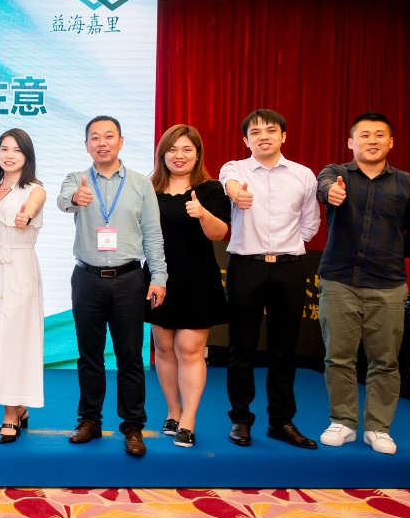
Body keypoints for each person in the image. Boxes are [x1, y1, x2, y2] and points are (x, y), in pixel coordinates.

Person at [316, 112, 410, 455]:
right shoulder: (336, 174)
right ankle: (343, 421)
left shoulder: (409, 184)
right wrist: (331, 193)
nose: (372, 140)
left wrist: (392, 252)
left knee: (385, 361)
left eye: (379, 135)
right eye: (364, 135)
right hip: (339, 280)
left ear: (391, 142)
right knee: (338, 357)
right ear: (351, 142)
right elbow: (324, 186)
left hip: (388, 284)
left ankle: (378, 427)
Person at [57, 115, 167, 457]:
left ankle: (133, 426)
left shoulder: (140, 184)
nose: (101, 143)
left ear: (120, 142)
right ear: (86, 144)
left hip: (129, 279)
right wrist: (76, 198)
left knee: (130, 356)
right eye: (95, 137)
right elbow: (63, 201)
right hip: (87, 278)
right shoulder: (76, 179)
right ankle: (89, 420)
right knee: (89, 355)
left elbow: (153, 234)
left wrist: (159, 277)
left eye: (108, 136)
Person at [219, 109, 321, 449]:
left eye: (271, 130)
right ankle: (240, 419)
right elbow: (230, 185)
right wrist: (238, 194)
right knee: (241, 347)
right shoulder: (235, 168)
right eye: (256, 132)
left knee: (285, 348)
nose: (263, 136)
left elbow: (310, 222)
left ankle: (281, 421)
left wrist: (289, 246)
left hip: (289, 268)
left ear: (283, 136)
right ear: (245, 139)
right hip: (245, 266)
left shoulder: (303, 175)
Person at [144, 124, 230, 448]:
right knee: (165, 349)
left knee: (190, 350)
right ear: (162, 154)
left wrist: (202, 213)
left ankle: (189, 420)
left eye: (186, 149)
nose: (179, 156)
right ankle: (173, 411)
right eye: (172, 149)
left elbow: (219, 233)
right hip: (159, 279)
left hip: (197, 280)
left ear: (197, 154)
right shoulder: (149, 189)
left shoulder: (211, 189)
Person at [0, 128, 47, 445]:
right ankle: (18, 406)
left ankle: (10, 413)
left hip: (19, 268)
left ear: (27, 155)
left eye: (17, 150)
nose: (9, 155)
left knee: (15, 341)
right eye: (4, 149)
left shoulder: (35, 189)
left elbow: (32, 205)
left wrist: (27, 215)